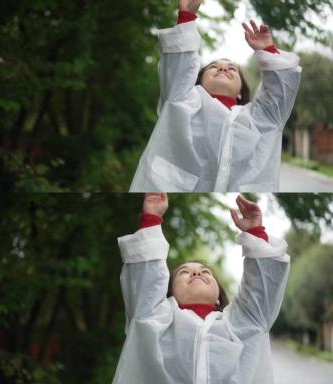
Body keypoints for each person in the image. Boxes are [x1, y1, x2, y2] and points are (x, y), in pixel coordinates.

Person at [114, 193, 290, 383]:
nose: (196, 273)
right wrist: (152, 218)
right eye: (184, 272)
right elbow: (147, 283)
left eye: (205, 271)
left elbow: (262, 288)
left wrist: (256, 232)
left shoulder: (245, 323)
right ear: (170, 292)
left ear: (218, 298)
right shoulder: (151, 319)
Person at [129, 0, 302, 192]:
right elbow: (179, 69)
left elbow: (281, 90)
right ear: (199, 81)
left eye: (231, 69)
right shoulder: (179, 102)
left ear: (240, 91)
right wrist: (186, 17)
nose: (222, 67)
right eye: (214, 66)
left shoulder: (263, 119)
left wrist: (268, 51)